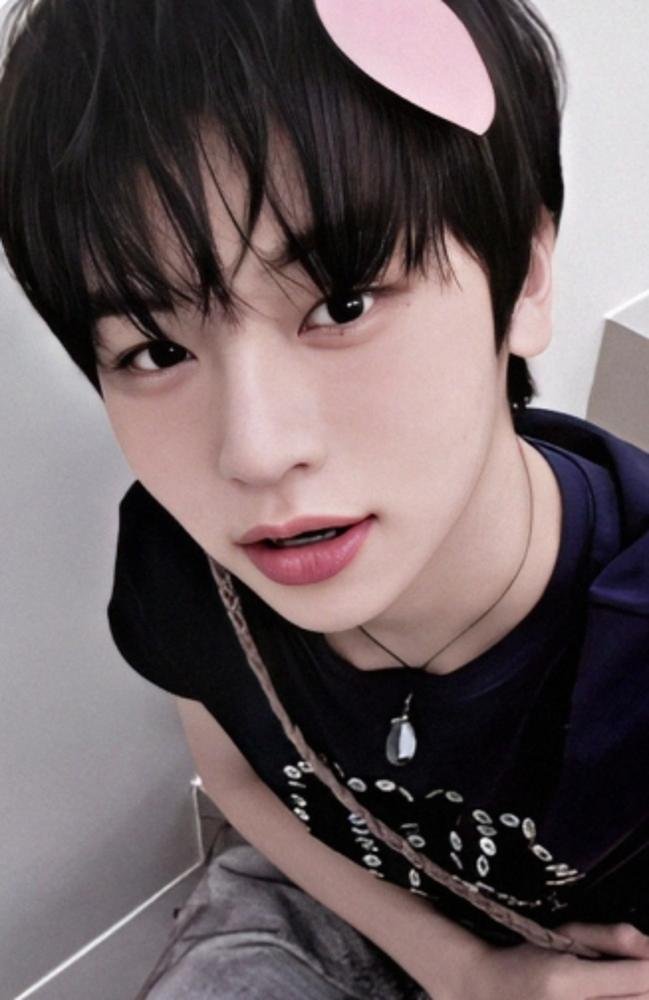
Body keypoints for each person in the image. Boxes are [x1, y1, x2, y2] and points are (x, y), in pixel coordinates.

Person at [1, 0, 649, 997]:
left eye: (341, 304)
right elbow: (233, 773)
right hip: (329, 890)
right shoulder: (182, 564)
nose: (253, 454)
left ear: (522, 277)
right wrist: (465, 971)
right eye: (156, 350)